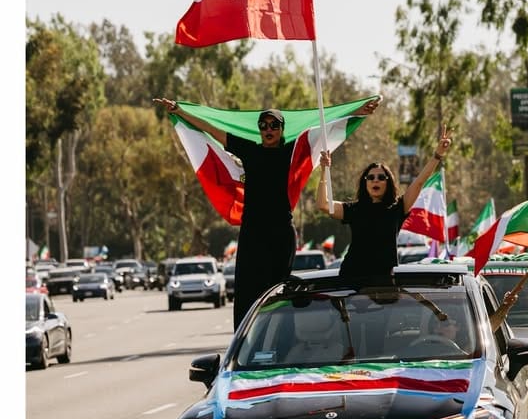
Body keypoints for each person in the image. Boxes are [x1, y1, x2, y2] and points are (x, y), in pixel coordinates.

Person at [153, 95, 380, 328]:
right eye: (263, 126)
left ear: (282, 129)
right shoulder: (250, 150)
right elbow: (212, 129)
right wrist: (179, 110)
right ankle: (246, 345)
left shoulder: (291, 151)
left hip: (281, 232)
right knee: (247, 293)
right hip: (252, 233)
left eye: (274, 125)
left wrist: (359, 111)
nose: (268, 129)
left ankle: (283, 341)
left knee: (279, 292)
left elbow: (325, 128)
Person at [317, 127, 452, 288]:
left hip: (384, 285)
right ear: (365, 182)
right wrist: (324, 171)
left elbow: (419, 182)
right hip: (351, 281)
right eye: (371, 177)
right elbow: (323, 204)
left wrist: (437, 155)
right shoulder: (354, 209)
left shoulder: (397, 208)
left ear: (388, 182)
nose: (376, 180)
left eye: (381, 177)